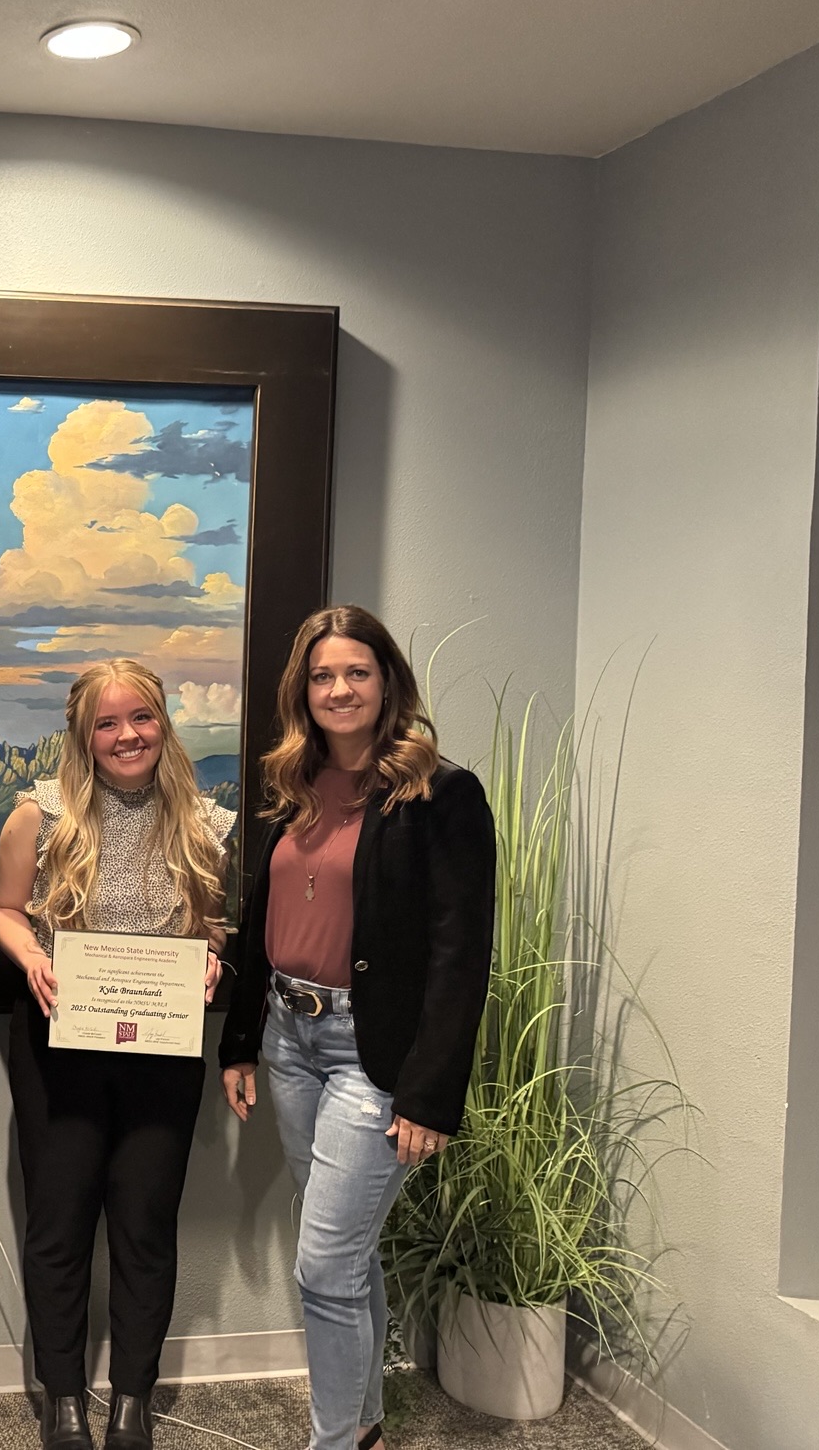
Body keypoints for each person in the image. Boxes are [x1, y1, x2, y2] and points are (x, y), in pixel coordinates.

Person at [217, 606, 495, 1450]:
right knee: (348, 1255)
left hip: (371, 1056)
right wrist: (239, 1041)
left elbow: (460, 953)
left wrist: (429, 1095)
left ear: (388, 682)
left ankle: (333, 1440)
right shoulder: (291, 784)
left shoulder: (441, 793)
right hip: (288, 1040)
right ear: (302, 691)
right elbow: (258, 918)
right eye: (321, 676)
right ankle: (366, 1424)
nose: (338, 690)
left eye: (356, 673)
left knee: (323, 1265)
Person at [0, 660, 234, 1450]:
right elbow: (6, 912)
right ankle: (63, 1397)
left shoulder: (207, 822)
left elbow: (214, 929)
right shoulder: (42, 814)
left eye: (141, 718)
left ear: (164, 723)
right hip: (58, 1043)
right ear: (82, 733)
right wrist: (30, 957)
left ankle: (133, 1398)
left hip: (161, 1048)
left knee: (144, 1224)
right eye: (107, 722)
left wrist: (212, 960)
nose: (126, 735)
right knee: (58, 1225)